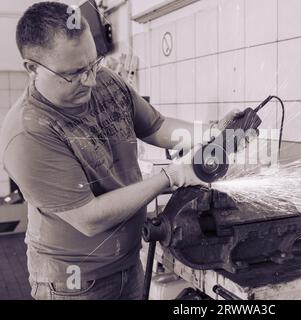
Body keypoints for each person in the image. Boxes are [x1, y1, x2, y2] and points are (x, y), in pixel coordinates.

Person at [0, 2, 239, 300]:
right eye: (73, 73)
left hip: (127, 264)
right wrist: (173, 176)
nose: (89, 79)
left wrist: (212, 132)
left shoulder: (105, 81)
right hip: (74, 285)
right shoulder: (29, 132)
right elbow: (89, 218)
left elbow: (155, 126)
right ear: (32, 68)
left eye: (92, 63)